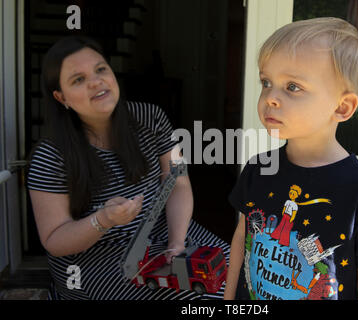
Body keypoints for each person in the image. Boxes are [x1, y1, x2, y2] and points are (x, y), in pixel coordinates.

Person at [224, 17, 358, 300]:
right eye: (266, 82)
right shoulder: (257, 169)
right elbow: (242, 240)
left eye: (292, 87)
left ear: (342, 106)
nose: (270, 98)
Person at [26, 36, 229, 300]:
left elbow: (178, 181)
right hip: (99, 259)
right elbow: (54, 239)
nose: (96, 81)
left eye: (101, 69)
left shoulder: (150, 118)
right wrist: (103, 220)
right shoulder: (50, 155)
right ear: (61, 97)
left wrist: (177, 243)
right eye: (78, 79)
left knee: (244, 274)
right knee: (199, 299)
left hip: (164, 231)